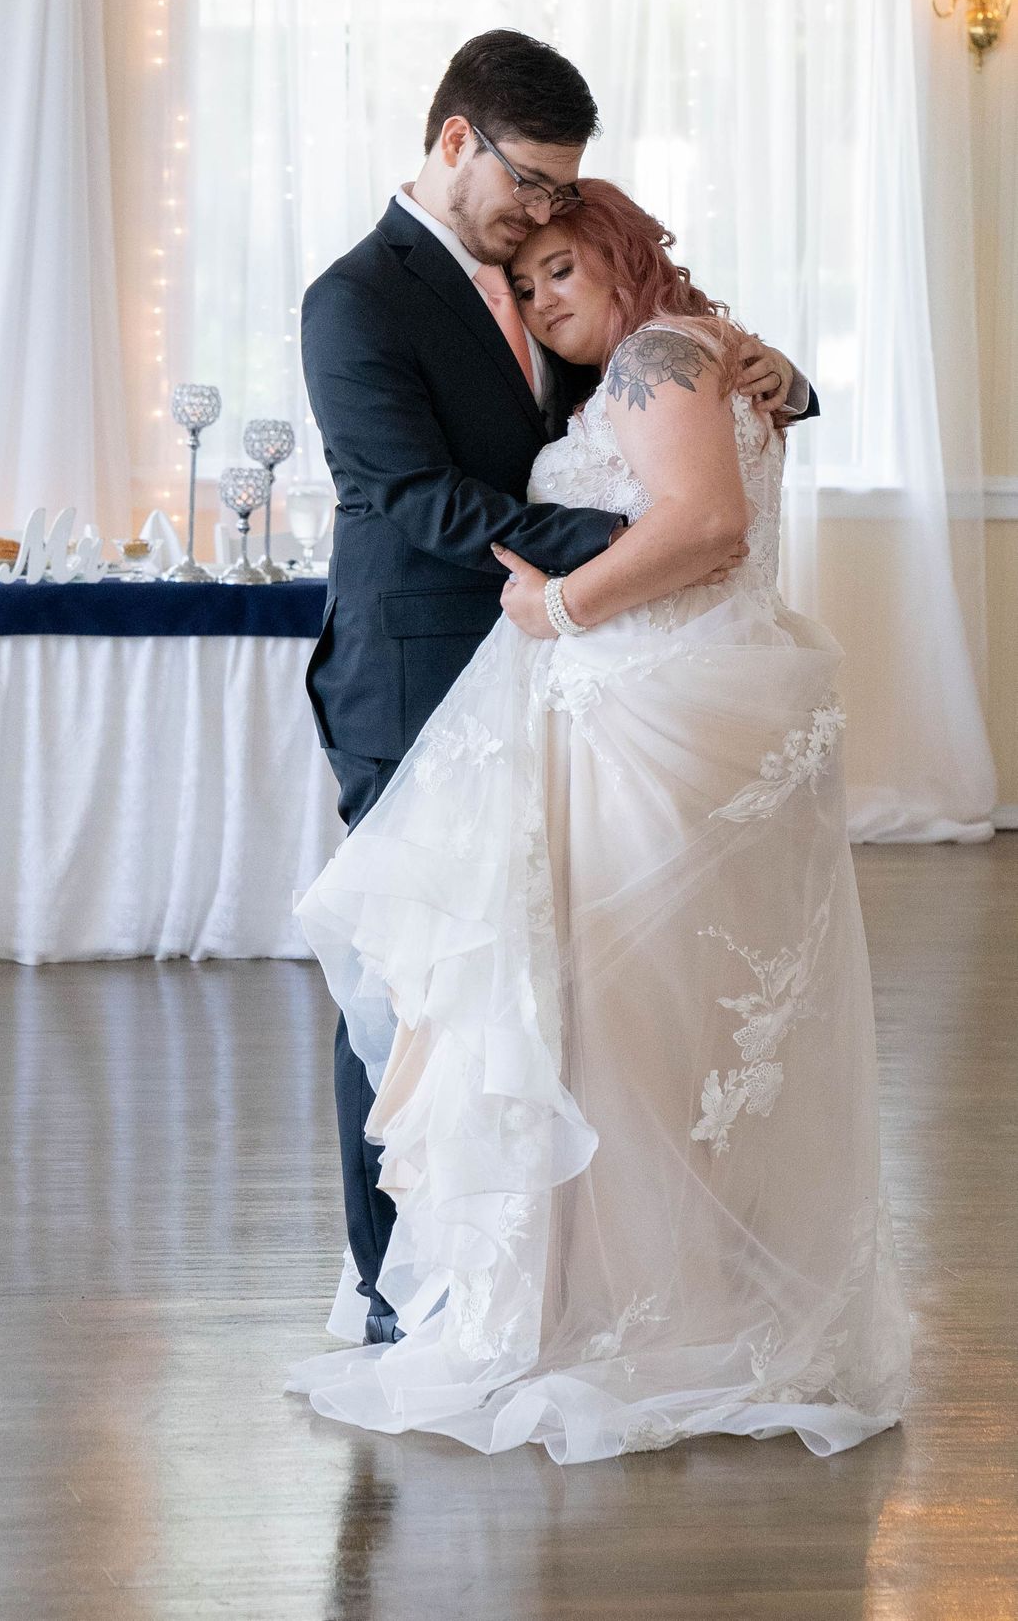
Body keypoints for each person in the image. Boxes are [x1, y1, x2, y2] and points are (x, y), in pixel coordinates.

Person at [286, 178, 910, 1460]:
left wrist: (558, 607)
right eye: (526, 284)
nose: (541, 300)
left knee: (619, 1017)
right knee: (657, 1022)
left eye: (563, 268)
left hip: (647, 720)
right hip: (670, 709)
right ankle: (657, 1291)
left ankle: (610, 1307)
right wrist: (782, 383)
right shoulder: (688, 357)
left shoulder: (654, 356)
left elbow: (710, 525)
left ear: (627, 253)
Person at [298, 29, 811, 1347]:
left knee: (544, 981)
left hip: (566, 682)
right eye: (528, 183)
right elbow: (413, 496)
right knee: (414, 971)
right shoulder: (354, 298)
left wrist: (780, 382)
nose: (542, 216)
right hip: (418, 670)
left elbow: (661, 387)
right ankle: (396, 1291)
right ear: (454, 138)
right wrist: (640, 549)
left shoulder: (560, 284)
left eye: (562, 196)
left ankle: (520, 1276)